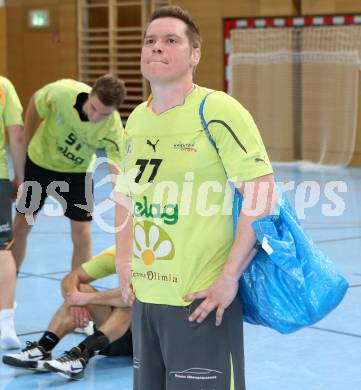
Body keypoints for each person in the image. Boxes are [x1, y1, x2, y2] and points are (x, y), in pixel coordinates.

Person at [115, 5, 278, 390]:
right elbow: (125, 195)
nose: (157, 47)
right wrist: (124, 261)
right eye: (150, 41)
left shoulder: (218, 109)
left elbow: (262, 195)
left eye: (171, 40)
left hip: (200, 299)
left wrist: (229, 278)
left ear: (194, 55)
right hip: (146, 299)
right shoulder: (137, 118)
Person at [12, 74, 125, 272]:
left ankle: (78, 294)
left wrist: (122, 201)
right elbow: (34, 105)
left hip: (77, 174)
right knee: (22, 223)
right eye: (94, 108)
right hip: (40, 164)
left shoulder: (113, 127)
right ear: (91, 94)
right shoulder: (62, 93)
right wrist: (28, 141)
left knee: (82, 233)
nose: (95, 118)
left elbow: (115, 166)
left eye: (104, 114)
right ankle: (8, 280)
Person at [3, 245, 132, 380]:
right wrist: (75, 300)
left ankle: (81, 354)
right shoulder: (117, 252)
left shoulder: (150, 259)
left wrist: (84, 299)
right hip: (112, 337)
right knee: (80, 288)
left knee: (132, 303)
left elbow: (131, 294)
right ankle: (44, 348)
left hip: (143, 341)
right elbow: (71, 278)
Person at [0, 76, 25, 350]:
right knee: (2, 249)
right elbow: (16, 134)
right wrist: (20, 177)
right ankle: (5, 323)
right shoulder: (4, 86)